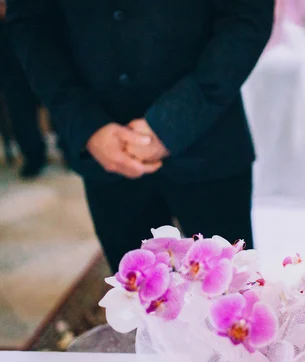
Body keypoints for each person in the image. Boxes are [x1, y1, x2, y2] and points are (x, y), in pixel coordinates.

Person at [7, 0, 274, 273]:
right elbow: (30, 25)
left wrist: (172, 121)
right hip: (105, 147)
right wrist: (86, 125)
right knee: (136, 302)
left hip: (208, 138)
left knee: (229, 293)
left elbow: (247, 17)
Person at [0, 0, 47, 178]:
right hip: (8, 50)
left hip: (41, 40)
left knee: (59, 96)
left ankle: (69, 149)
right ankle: (33, 155)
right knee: (19, 109)